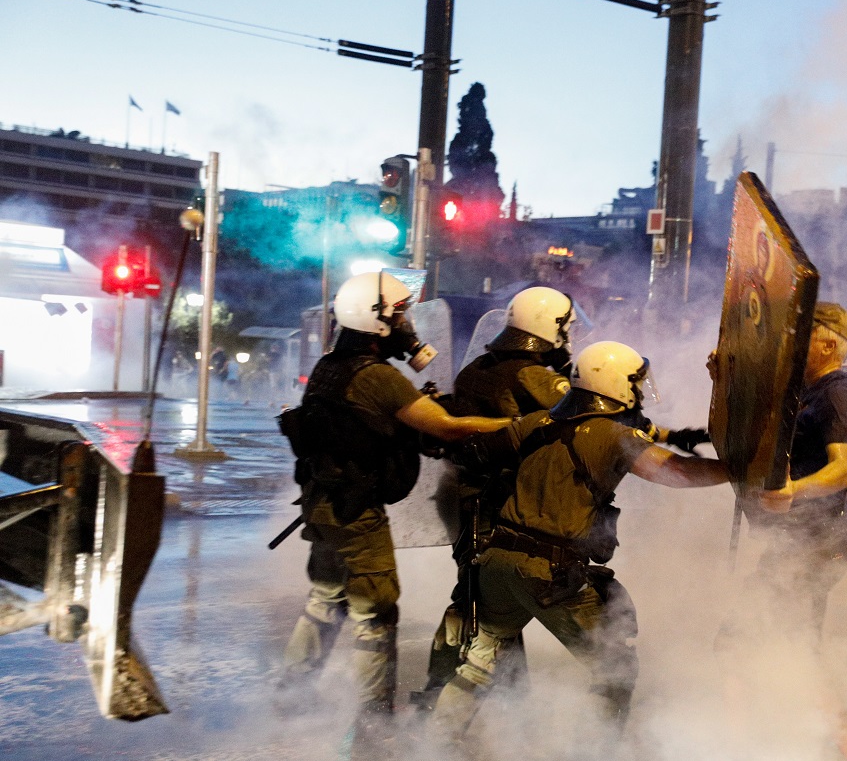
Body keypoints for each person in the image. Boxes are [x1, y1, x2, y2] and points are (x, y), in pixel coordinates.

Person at [422, 286, 710, 699]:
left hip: (466, 497)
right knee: (486, 608)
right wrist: (666, 435)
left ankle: (461, 694)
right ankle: (485, 694)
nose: (568, 337)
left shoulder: (478, 369)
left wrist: (665, 434)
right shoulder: (534, 376)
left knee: (480, 599)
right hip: (502, 504)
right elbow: (595, 412)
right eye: (565, 328)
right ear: (549, 327)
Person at [276, 272, 510, 721]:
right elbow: (447, 427)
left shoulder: (330, 366)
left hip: (321, 504)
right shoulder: (379, 377)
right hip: (356, 513)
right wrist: (526, 425)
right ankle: (375, 715)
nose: (407, 324)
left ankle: (291, 692)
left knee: (326, 599)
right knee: (376, 615)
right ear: (376, 320)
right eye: (400, 315)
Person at [733, 301, 847, 761]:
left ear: (828, 344)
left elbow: (842, 469)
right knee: (773, 648)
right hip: (794, 549)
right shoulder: (807, 393)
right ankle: (829, 753)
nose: (790, 343)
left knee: (768, 649)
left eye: (802, 335)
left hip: (814, 549)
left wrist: (795, 489)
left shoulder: (839, 397)